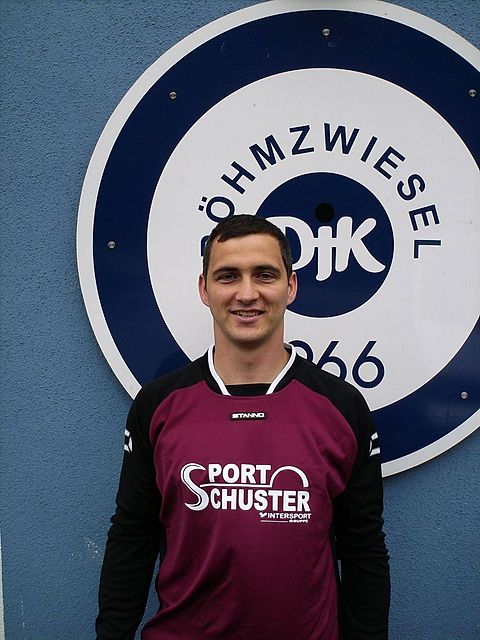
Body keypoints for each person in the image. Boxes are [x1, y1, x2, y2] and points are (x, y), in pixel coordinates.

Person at [96, 214, 390, 640]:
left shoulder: (342, 407)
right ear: (205, 289)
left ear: (291, 286)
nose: (247, 293)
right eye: (228, 276)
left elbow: (363, 549)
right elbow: (132, 538)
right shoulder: (158, 406)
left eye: (265, 275)